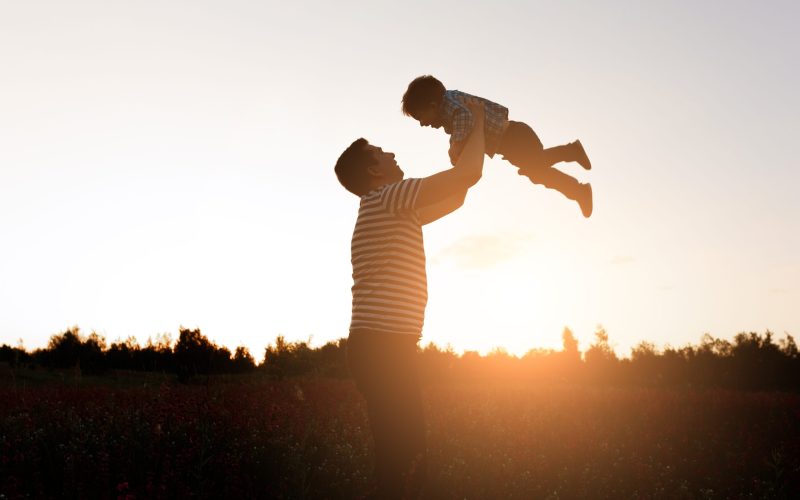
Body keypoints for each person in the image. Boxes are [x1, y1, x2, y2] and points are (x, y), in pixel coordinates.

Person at [334, 99, 487, 499]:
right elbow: (468, 174)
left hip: (387, 346)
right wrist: (480, 122)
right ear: (373, 170)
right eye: (381, 152)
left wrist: (467, 140)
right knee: (404, 451)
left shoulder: (396, 207)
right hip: (381, 346)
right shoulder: (390, 198)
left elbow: (458, 194)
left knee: (405, 449)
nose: (392, 153)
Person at [401, 74, 594, 218]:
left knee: (535, 168)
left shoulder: (450, 104)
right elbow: (463, 124)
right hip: (511, 142)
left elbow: (465, 118)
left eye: (420, 117)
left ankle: (572, 157)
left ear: (433, 105)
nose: (422, 124)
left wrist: (456, 146)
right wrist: (455, 145)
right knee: (536, 171)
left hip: (515, 137)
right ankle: (578, 188)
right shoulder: (451, 108)